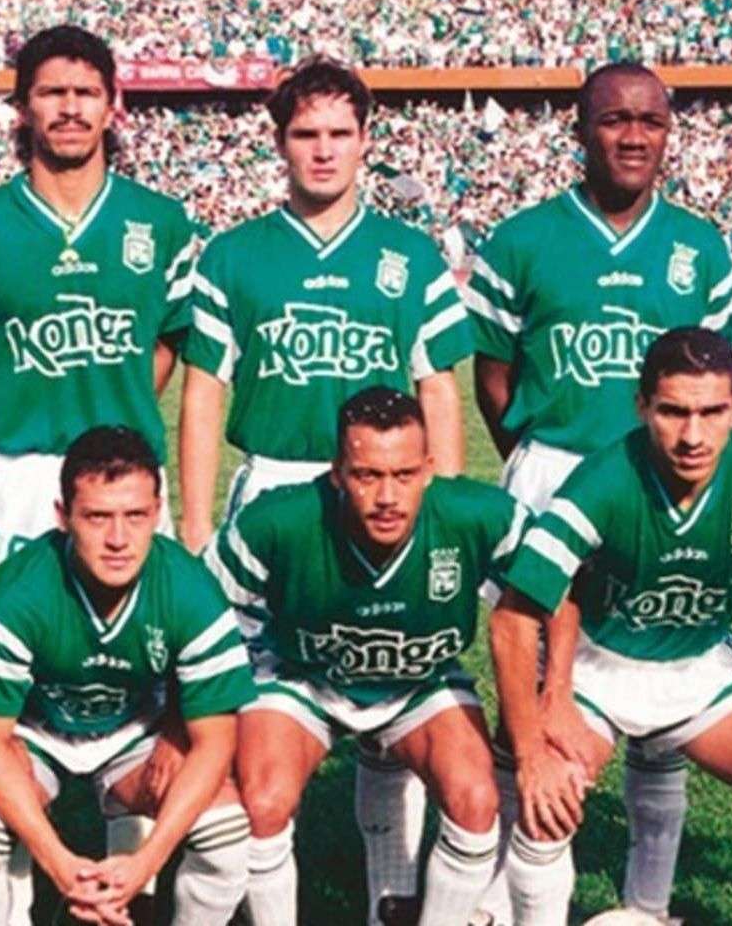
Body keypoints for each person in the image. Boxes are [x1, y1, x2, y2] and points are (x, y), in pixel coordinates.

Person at [178, 61, 474, 919]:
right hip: (273, 492)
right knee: (255, 706)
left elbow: (439, 390)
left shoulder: (407, 257)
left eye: (340, 134)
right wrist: (197, 523)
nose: (323, 150)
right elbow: (204, 393)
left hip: (382, 502)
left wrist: (440, 505)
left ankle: (394, 895)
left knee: (390, 687)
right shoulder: (234, 255)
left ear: (366, 143)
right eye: (305, 133)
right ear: (279, 144)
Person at [466, 62, 732, 923]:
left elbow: (720, 382)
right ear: (581, 130)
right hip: (555, 471)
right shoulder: (522, 240)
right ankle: (517, 898)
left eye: (650, 121)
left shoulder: (701, 247)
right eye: (614, 120)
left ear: (668, 131)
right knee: (534, 694)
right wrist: (547, 454)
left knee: (659, 690)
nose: (632, 136)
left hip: (662, 485)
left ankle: (644, 906)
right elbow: (496, 383)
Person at [492, 328, 732, 926]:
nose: (693, 435)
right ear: (642, 406)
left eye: (712, 412)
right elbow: (515, 618)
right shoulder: (603, 479)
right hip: (600, 666)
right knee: (549, 800)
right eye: (672, 412)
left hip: (699, 666)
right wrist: (535, 746)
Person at [207, 387, 524, 925]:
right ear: (337, 472)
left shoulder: (477, 515)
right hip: (304, 678)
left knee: (476, 800)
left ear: (428, 469)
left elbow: (554, 591)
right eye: (366, 476)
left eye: (403, 475)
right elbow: (195, 615)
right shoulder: (279, 521)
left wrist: (548, 712)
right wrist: (193, 732)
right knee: (262, 805)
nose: (387, 497)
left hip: (418, 679)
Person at [0, 426, 257, 926]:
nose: (118, 539)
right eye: (97, 517)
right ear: (62, 517)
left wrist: (146, 861)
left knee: (225, 832)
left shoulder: (190, 591)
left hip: (134, 735)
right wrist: (61, 866)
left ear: (157, 513)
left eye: (135, 516)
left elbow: (216, 742)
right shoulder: (14, 593)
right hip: (35, 736)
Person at [0, 24, 202, 563]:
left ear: (111, 104)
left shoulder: (161, 222)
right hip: (18, 474)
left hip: (128, 473)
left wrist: (117, 415)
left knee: (137, 638)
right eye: (51, 93)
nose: (70, 109)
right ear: (23, 106)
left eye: (86, 93)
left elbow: (168, 341)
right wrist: (2, 425)